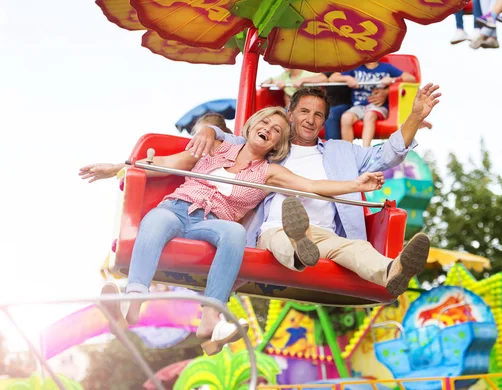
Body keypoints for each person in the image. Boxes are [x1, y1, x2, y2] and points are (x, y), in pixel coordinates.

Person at [79, 106, 385, 355]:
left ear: (278, 144)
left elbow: (312, 186)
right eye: (265, 122)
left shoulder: (269, 172)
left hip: (212, 222)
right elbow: (163, 163)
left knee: (234, 233)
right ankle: (131, 304)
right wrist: (116, 167)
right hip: (178, 208)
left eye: (277, 130)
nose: (269, 129)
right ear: (251, 127)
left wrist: (356, 185)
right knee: (156, 220)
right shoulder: (216, 148)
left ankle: (211, 316)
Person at [187, 83, 441, 299]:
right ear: (290, 114)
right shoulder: (271, 145)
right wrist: (209, 130)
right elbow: (235, 140)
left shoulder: (343, 151)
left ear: (323, 121)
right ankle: (299, 248)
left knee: (355, 249)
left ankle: (392, 271)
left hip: (325, 235)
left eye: (318, 115)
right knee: (282, 241)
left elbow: (388, 154)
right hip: (275, 229)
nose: (310, 119)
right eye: (304, 112)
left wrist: (415, 117)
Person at [329, 62, 417, 147]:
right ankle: (348, 152)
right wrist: (347, 78)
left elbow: (411, 78)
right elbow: (332, 78)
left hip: (377, 106)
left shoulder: (386, 68)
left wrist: (392, 80)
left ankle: (365, 149)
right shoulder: (356, 68)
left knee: (369, 116)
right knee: (346, 118)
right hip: (358, 106)